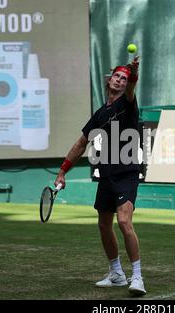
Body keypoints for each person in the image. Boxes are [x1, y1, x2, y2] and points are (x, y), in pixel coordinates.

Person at [54, 56, 147, 296]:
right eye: (117, 76)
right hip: (106, 175)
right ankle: (116, 273)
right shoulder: (98, 115)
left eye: (124, 78)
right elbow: (80, 145)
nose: (120, 80)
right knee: (104, 224)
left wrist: (134, 73)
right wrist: (63, 171)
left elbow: (132, 87)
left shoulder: (127, 103)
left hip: (127, 172)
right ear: (109, 80)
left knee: (124, 222)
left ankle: (137, 277)